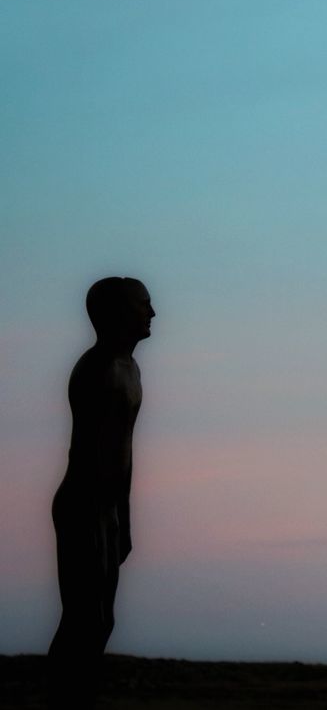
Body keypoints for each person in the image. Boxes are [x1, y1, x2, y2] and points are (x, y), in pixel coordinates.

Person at [48, 277, 155, 705]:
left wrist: (122, 519)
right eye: (142, 305)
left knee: (102, 620)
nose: (152, 314)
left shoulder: (131, 369)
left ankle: (79, 691)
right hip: (83, 502)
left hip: (106, 506)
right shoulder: (98, 369)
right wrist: (98, 515)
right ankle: (66, 692)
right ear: (117, 314)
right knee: (84, 618)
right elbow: (90, 452)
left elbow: (125, 452)